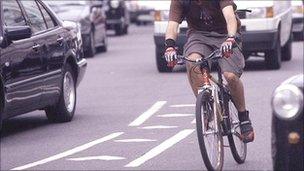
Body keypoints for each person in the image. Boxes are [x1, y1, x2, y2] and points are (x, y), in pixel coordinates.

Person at [164, 0, 254, 143]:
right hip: (198, 37)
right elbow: (172, 25)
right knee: (192, 62)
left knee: (230, 76)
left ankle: (243, 117)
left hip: (225, 34)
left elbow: (230, 17)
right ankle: (207, 107)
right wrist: (169, 46)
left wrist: (231, 38)